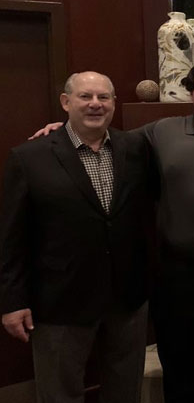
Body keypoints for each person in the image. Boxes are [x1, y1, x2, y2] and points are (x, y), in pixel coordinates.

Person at [30, 59, 194, 403]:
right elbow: (103, 138)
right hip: (177, 273)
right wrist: (65, 129)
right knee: (179, 366)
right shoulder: (162, 131)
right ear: (190, 93)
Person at [0, 72, 154, 403]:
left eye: (104, 97)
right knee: (59, 393)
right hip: (59, 300)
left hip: (126, 298)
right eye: (85, 97)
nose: (95, 104)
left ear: (114, 103)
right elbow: (11, 237)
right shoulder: (29, 158)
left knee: (125, 389)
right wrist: (13, 301)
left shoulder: (136, 147)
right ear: (66, 103)